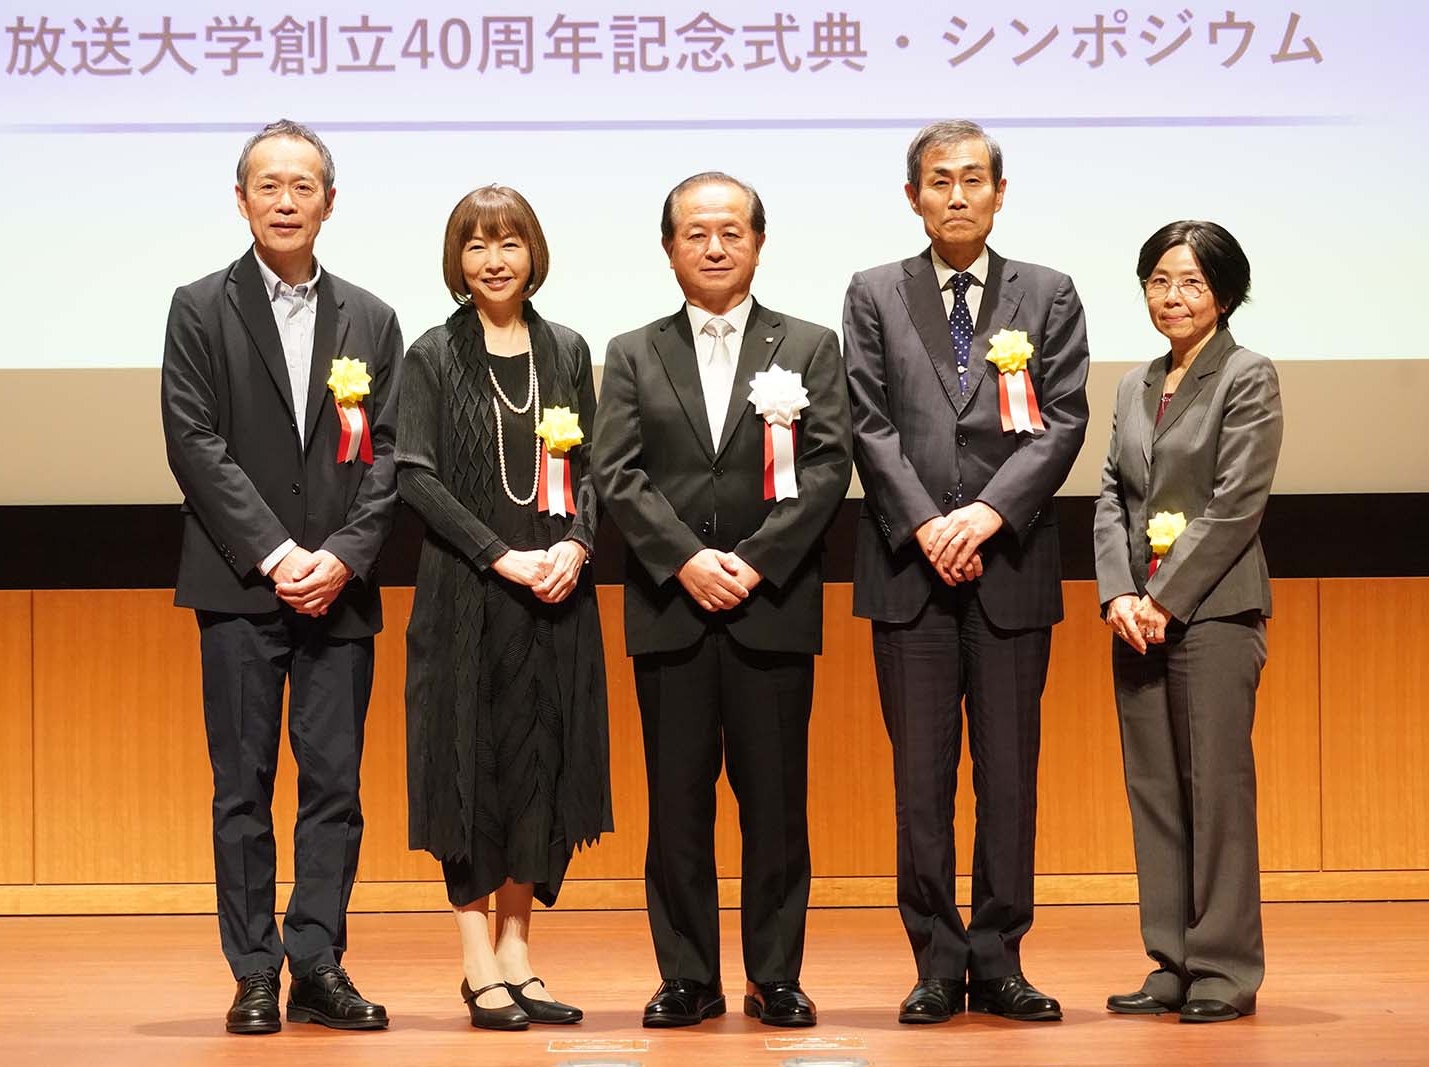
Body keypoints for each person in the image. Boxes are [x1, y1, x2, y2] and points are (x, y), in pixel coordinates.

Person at [592, 172, 852, 1030]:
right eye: (695, 232)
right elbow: (617, 472)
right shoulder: (633, 350)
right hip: (670, 606)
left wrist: (754, 561)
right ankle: (688, 975)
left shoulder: (809, 345)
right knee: (677, 805)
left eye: (731, 231)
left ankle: (775, 974)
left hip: (768, 604)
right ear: (669, 248)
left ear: (759, 242)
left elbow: (826, 468)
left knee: (775, 804)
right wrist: (686, 560)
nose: (714, 245)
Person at [843, 120, 1090, 1024]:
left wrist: (986, 514)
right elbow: (866, 420)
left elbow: (1063, 418)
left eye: (973, 179)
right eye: (938, 180)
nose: (956, 194)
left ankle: (1001, 957)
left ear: (999, 191)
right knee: (922, 778)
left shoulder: (1050, 293)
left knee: (1010, 774)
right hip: (910, 570)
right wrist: (928, 522)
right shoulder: (873, 292)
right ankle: (936, 962)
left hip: (1011, 564)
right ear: (912, 196)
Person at [160, 119, 402, 1034]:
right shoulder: (198, 305)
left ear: (329, 202)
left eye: (304, 186)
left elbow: (389, 456)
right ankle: (254, 967)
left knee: (335, 785)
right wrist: (276, 552)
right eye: (269, 185)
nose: (286, 200)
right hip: (239, 586)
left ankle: (318, 962)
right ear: (241, 198)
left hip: (340, 589)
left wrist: (338, 556)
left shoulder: (372, 318)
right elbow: (195, 441)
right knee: (244, 785)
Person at [397, 185, 611, 1031]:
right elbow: (414, 471)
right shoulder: (430, 354)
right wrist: (499, 553)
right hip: (466, 595)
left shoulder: (565, 349)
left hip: (555, 592)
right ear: (458, 260)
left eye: (510, 242)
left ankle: (519, 947)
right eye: (478, 244)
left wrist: (577, 544)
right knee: (466, 765)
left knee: (539, 761)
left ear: (534, 253)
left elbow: (596, 467)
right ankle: (475, 956)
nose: (494, 259)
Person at [1094, 221, 1281, 1024]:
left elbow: (1236, 501)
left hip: (1213, 612)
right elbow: (1110, 493)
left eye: (1193, 282)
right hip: (1136, 616)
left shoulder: (1248, 375)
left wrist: (1166, 597)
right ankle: (1170, 957)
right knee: (1156, 790)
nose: (1173, 296)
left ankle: (1223, 967)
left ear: (1226, 293)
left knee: (1216, 789)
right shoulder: (1135, 383)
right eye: (1160, 280)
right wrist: (1116, 594)